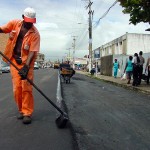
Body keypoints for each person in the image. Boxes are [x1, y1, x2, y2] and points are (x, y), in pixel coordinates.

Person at [0, 7, 40, 124]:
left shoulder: (35, 34)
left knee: (26, 88)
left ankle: (27, 113)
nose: (29, 25)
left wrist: (26, 67)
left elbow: (32, 52)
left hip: (27, 63)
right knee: (17, 89)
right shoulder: (15, 23)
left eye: (31, 22)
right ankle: (21, 110)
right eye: (28, 22)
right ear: (23, 17)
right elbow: (3, 29)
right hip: (13, 61)